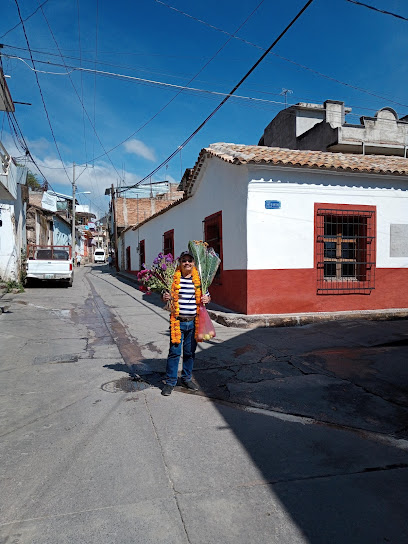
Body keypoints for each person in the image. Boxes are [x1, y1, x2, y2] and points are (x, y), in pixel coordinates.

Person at [161, 250, 210, 396]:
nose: (187, 263)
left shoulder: (200, 279)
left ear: (194, 263)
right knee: (174, 353)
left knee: (189, 353)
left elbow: (207, 295)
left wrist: (207, 299)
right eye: (184, 260)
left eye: (190, 260)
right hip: (178, 322)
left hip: (194, 322)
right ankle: (170, 382)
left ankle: (186, 378)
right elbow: (164, 296)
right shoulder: (172, 278)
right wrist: (165, 296)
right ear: (180, 263)